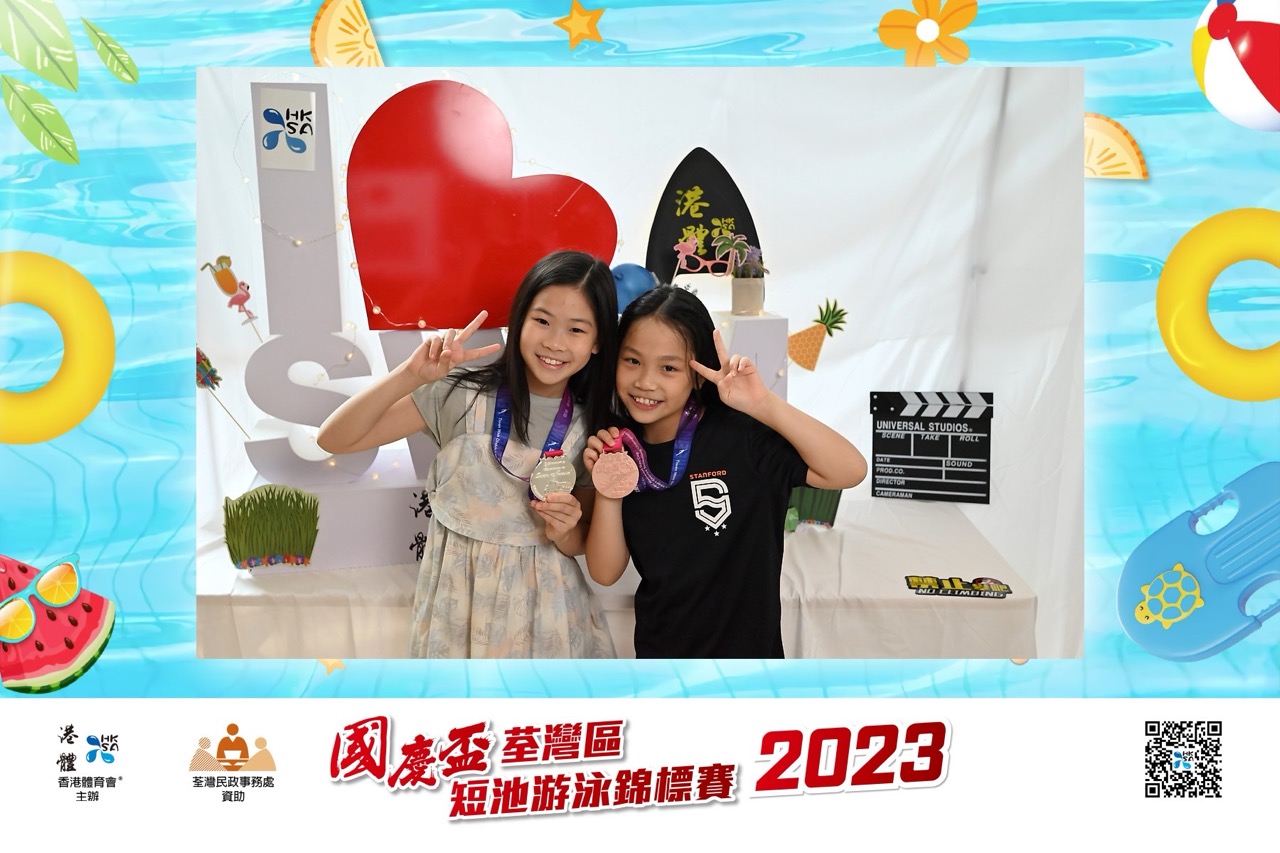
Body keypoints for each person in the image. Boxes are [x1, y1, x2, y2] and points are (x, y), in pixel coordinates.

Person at [318, 250, 618, 658]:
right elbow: (334, 439)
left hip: (548, 617)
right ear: (519, 320)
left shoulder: (591, 430)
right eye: (542, 321)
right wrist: (409, 376)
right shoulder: (459, 395)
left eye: (576, 329)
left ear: (598, 342)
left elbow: (578, 542)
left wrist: (565, 531)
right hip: (456, 608)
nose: (554, 342)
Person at [583, 286, 866, 658]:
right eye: (632, 360)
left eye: (669, 368)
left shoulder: (741, 437)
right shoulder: (621, 448)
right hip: (661, 664)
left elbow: (850, 470)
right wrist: (608, 485)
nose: (645, 381)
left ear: (699, 373)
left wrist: (763, 404)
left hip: (750, 669)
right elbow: (605, 572)